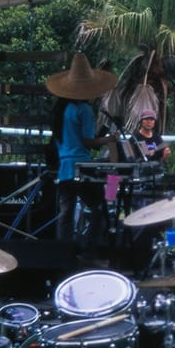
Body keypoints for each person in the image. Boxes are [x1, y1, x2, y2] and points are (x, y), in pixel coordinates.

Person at [47, 53, 120, 255]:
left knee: (66, 213)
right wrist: (108, 139)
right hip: (81, 167)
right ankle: (89, 249)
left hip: (64, 168)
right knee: (101, 209)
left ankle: (63, 253)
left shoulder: (61, 110)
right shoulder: (84, 110)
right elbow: (88, 142)